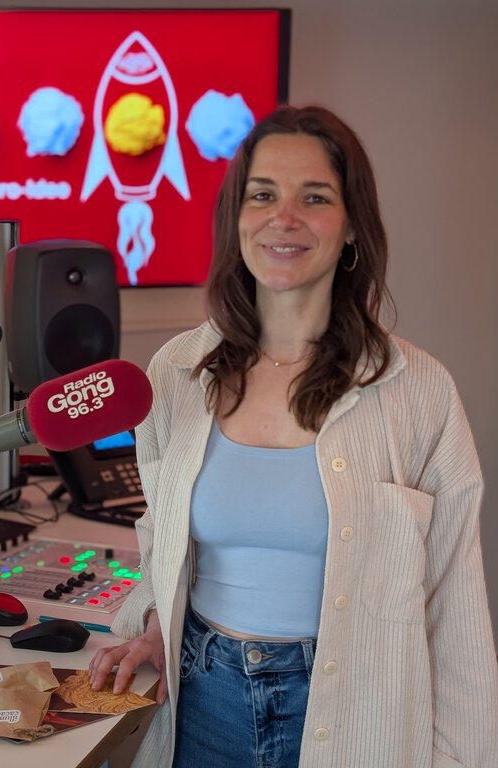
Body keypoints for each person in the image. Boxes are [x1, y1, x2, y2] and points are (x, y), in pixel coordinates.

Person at [88, 104, 498, 768]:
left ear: (352, 226)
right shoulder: (176, 374)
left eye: (315, 197)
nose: (284, 217)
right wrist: (157, 625)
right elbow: (162, 538)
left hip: (360, 710)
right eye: (263, 196)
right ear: (237, 220)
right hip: (203, 700)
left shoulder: (418, 392)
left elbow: (456, 612)